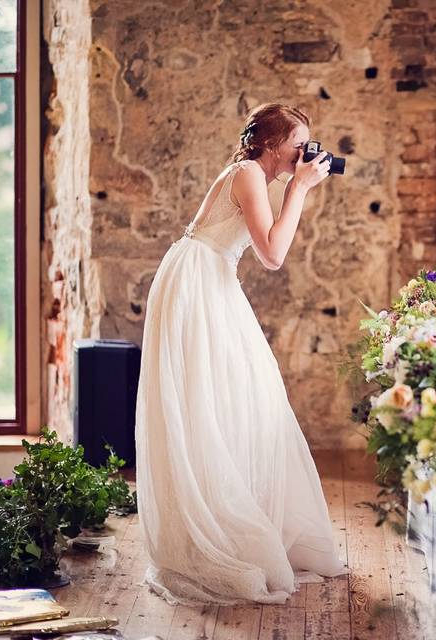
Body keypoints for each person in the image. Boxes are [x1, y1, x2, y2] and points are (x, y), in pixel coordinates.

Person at [135, 103, 346, 605]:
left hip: (213, 276)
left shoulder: (258, 175)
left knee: (247, 394)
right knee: (210, 399)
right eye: (299, 144)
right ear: (273, 145)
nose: (304, 153)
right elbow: (272, 255)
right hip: (196, 280)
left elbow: (268, 247)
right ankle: (215, 532)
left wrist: (295, 186)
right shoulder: (249, 172)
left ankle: (249, 518)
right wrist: (300, 187)